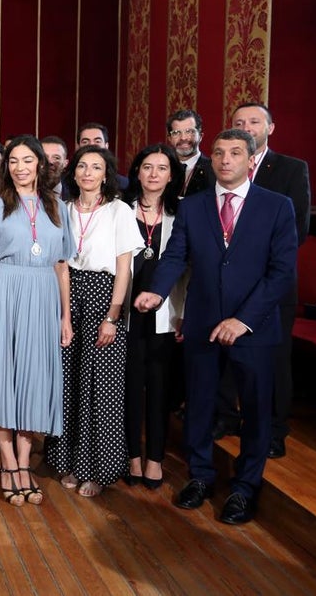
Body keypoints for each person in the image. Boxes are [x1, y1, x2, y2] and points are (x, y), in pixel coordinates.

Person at [135, 129, 297, 525]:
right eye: (219, 153)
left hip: (254, 328)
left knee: (256, 411)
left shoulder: (277, 207)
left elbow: (281, 273)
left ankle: (245, 487)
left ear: (250, 159)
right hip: (203, 323)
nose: (225, 160)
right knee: (200, 405)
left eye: (235, 153)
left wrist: (242, 320)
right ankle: (201, 476)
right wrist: (156, 292)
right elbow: (176, 256)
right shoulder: (193, 207)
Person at [0, 136, 73, 505]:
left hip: (44, 297)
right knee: (3, 378)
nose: (19, 167)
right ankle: (8, 461)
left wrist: (66, 316)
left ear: (40, 165)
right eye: (13, 160)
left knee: (34, 379)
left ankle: (27, 461)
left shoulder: (58, 207)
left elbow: (62, 265)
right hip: (4, 293)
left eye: (27, 160)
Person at [46, 145, 143, 498]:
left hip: (105, 295)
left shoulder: (119, 211)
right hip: (69, 291)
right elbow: (59, 262)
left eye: (96, 166)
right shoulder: (63, 209)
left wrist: (113, 317)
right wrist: (64, 314)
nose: (88, 172)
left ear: (107, 173)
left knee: (101, 387)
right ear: (74, 172)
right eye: (82, 166)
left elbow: (124, 268)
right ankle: (69, 461)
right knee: (68, 382)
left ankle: (98, 469)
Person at [220, 102, 310, 459]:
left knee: (275, 358)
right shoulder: (222, 168)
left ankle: (273, 429)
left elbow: (298, 229)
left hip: (272, 283)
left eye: (254, 122)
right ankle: (225, 416)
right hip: (226, 283)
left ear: (270, 128)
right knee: (223, 352)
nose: (247, 127)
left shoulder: (290, 169)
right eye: (239, 122)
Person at [122, 145, 186, 490]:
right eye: (147, 167)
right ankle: (132, 455)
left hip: (166, 314)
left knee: (160, 387)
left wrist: (184, 315)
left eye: (162, 168)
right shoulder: (120, 209)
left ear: (172, 175)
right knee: (130, 385)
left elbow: (188, 271)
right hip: (126, 312)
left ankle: (155, 458)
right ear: (137, 172)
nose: (154, 174)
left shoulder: (184, 212)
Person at [167, 109, 214, 197]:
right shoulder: (162, 168)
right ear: (170, 138)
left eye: (189, 131)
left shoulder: (214, 169)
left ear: (200, 136)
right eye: (176, 133)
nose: (183, 138)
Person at [77, 122, 129, 191]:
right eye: (85, 142)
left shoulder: (124, 185)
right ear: (78, 147)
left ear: (106, 146)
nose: (92, 145)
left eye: (97, 141)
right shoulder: (65, 185)